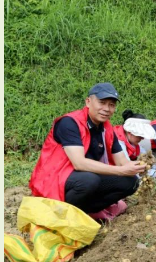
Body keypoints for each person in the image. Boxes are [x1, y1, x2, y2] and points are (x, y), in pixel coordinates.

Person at [29, 83, 144, 220]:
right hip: (55, 178)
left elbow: (122, 161)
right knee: (89, 180)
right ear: (88, 102)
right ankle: (60, 215)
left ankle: (87, 211)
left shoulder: (107, 129)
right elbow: (79, 163)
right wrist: (121, 171)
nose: (106, 109)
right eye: (102, 103)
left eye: (111, 105)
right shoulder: (70, 123)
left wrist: (143, 167)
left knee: (131, 181)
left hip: (84, 177)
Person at [113, 110, 156, 178]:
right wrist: (155, 173)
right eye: (139, 136)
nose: (142, 138)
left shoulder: (133, 143)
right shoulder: (119, 143)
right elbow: (128, 168)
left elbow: (147, 158)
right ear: (130, 132)